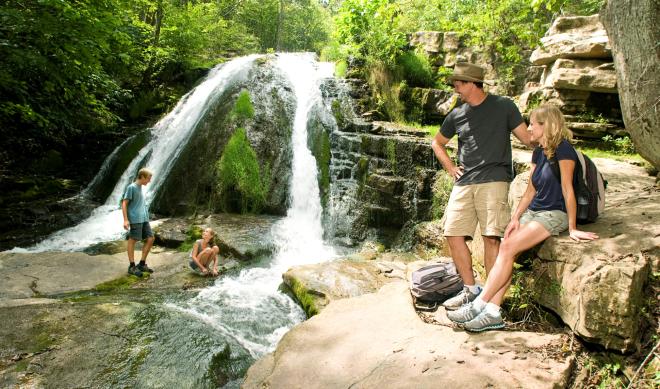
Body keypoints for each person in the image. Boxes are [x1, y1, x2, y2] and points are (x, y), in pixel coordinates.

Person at [446, 104, 599, 331]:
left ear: (546, 125)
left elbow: (568, 190)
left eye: (533, 123)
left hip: (553, 213)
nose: (528, 128)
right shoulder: (538, 151)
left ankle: (479, 304)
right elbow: (530, 190)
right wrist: (516, 217)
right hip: (534, 211)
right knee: (508, 249)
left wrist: (572, 227)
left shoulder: (564, 150)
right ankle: (493, 313)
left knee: (507, 249)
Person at [431, 62, 532, 310]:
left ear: (472, 83)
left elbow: (529, 139)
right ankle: (470, 289)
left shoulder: (504, 106)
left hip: (494, 178)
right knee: (452, 234)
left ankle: (489, 298)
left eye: (458, 84)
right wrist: (451, 168)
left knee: (491, 239)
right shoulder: (457, 114)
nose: (455, 89)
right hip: (464, 182)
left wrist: (554, 148)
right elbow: (437, 143)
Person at [121, 168, 155, 277]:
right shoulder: (131, 187)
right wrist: (126, 220)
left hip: (144, 218)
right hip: (135, 218)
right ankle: (131, 266)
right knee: (133, 240)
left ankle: (141, 264)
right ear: (143, 177)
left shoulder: (140, 187)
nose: (149, 181)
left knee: (150, 238)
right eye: (148, 179)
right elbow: (124, 203)